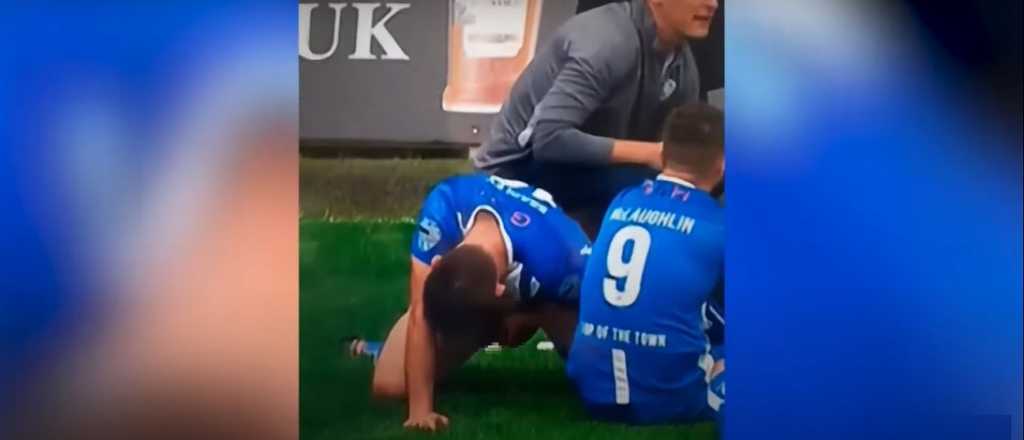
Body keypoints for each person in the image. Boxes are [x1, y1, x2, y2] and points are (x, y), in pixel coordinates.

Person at [348, 173, 590, 431]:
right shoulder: (442, 210)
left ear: (500, 291)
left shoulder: (563, 258)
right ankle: (390, 349)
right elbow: (421, 311)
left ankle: (535, 315)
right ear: (438, 262)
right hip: (495, 288)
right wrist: (420, 411)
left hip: (550, 298)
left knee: (594, 378)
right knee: (390, 384)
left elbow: (603, 305)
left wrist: (536, 316)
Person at [475, 0, 720, 237]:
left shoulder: (681, 62)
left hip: (589, 172)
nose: (713, 4)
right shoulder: (607, 41)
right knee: (642, 188)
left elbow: (683, 151)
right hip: (510, 177)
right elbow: (548, 139)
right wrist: (652, 154)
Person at [566, 103, 725, 424]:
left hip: (593, 391)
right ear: (722, 166)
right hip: (671, 399)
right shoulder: (719, 224)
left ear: (662, 154)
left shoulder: (622, 201)